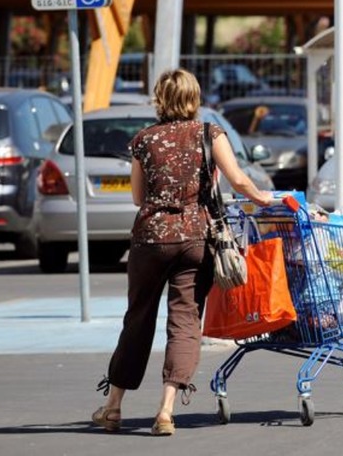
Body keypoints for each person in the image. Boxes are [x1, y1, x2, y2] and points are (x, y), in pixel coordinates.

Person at [91, 68, 274, 436]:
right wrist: (263, 197)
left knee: (138, 319)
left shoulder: (143, 140)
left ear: (160, 98)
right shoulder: (209, 133)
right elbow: (238, 179)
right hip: (195, 239)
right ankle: (166, 410)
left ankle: (112, 407)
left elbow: (138, 198)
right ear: (195, 97)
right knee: (185, 320)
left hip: (150, 240)